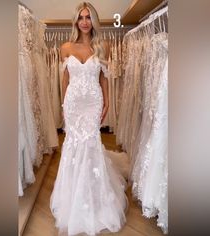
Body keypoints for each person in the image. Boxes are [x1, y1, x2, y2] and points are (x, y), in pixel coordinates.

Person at [50, 2, 128, 235]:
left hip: (93, 102)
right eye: (80, 18)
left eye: (88, 17)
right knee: (74, 145)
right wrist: (64, 104)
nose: (84, 21)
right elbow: (65, 79)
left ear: (93, 20)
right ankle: (73, 194)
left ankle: (95, 195)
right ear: (76, 21)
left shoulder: (103, 46)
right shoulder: (65, 47)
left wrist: (107, 102)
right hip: (74, 103)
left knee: (91, 143)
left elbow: (104, 79)